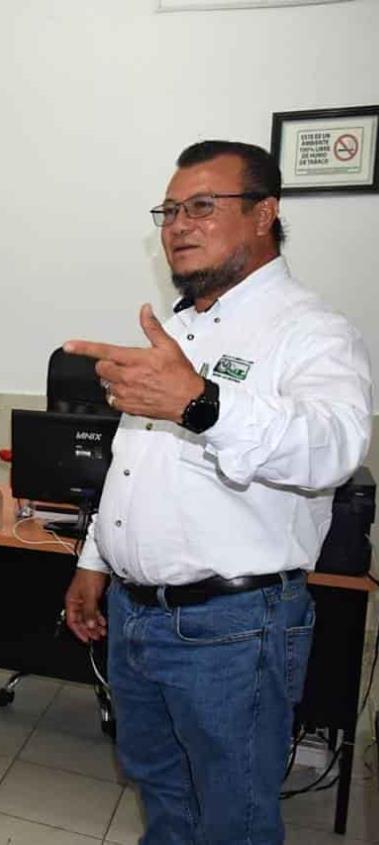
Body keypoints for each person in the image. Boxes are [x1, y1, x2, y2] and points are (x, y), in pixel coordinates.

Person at [63, 140, 372, 843]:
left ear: (264, 214)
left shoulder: (311, 331)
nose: (177, 223)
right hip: (137, 618)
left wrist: (201, 402)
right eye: (169, 209)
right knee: (162, 795)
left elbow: (331, 448)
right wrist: (94, 560)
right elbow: (132, 461)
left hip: (233, 626)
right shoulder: (176, 328)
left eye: (202, 206)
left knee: (232, 816)